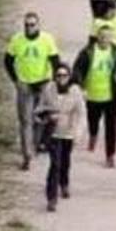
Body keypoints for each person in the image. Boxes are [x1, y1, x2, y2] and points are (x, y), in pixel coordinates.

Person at [3, 12, 61, 170]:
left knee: (42, 117)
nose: (29, 27)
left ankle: (37, 144)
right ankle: (27, 155)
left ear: (38, 25)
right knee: (25, 120)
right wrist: (15, 80)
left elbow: (56, 61)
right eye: (27, 25)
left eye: (32, 24)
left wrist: (54, 83)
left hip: (42, 82)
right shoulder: (17, 40)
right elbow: (8, 61)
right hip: (24, 84)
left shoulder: (47, 39)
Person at [73, 26, 116, 167]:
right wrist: (81, 86)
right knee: (93, 121)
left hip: (111, 96)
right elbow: (77, 69)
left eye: (107, 36)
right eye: (101, 36)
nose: (104, 39)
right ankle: (93, 136)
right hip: (92, 95)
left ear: (111, 38)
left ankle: (110, 155)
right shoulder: (88, 52)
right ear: (97, 37)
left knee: (111, 127)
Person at [37, 63, 83, 211]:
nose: (61, 78)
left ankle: (64, 183)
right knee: (54, 164)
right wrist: (48, 116)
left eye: (64, 76)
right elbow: (39, 110)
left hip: (68, 133)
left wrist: (78, 133)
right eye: (58, 75)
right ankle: (51, 198)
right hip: (53, 133)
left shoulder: (75, 92)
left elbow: (81, 113)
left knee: (65, 161)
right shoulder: (48, 90)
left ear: (69, 77)